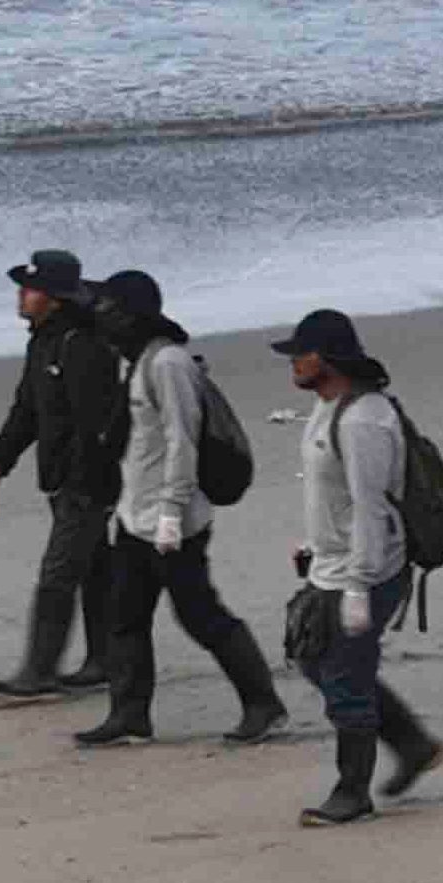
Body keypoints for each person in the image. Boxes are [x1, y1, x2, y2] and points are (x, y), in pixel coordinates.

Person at [73, 269, 287, 751]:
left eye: (109, 309)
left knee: (202, 616)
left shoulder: (168, 364)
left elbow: (182, 439)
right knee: (124, 617)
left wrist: (171, 511)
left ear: (133, 315)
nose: (102, 316)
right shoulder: (138, 360)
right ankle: (129, 716)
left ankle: (263, 704)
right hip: (135, 517)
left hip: (175, 523)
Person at [269, 309, 443, 824]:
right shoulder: (327, 408)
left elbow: (371, 506)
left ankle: (353, 793)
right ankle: (412, 744)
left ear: (327, 360)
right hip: (334, 561)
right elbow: (334, 495)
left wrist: (358, 585)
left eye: (300, 354)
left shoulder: (365, 419)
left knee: (346, 677)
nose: (293, 364)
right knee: (312, 657)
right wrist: (315, 543)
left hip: (369, 568)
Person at [0, 247, 122, 699]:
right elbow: (27, 409)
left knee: (59, 573)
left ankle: (39, 671)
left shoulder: (81, 342)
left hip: (85, 482)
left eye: (31, 288)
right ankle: (103, 661)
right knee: (93, 567)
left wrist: (81, 480)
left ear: (54, 297)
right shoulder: (42, 339)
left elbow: (94, 422)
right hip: (63, 480)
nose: (22, 294)